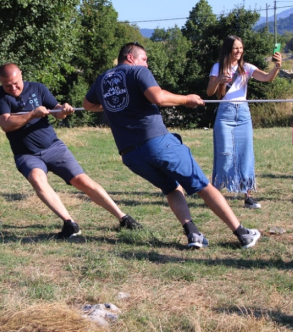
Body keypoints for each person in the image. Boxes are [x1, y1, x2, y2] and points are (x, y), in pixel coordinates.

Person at [83, 42, 260, 249]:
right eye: (144, 59)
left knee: (171, 188)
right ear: (131, 57)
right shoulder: (137, 72)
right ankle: (242, 234)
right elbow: (157, 97)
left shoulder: (103, 79)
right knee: (203, 185)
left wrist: (117, 103)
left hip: (130, 155)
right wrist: (186, 99)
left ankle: (193, 234)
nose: (146, 65)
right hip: (157, 143)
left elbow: (87, 105)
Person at [0, 63, 142, 239]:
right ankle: (70, 224)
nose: (13, 88)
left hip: (54, 147)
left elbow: (56, 112)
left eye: (16, 83)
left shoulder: (37, 88)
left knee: (82, 181)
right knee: (36, 179)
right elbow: (6, 124)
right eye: (7, 85)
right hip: (27, 154)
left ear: (21, 75)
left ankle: (123, 218)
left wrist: (63, 110)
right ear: (1, 82)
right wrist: (32, 114)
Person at [207, 35, 282, 209]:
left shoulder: (246, 68)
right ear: (228, 49)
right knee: (224, 154)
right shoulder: (218, 67)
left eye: (241, 48)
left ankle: (247, 196)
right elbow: (210, 93)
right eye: (235, 48)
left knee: (245, 154)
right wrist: (218, 81)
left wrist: (277, 67)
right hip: (225, 114)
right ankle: (216, 195)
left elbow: (267, 78)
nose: (239, 51)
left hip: (243, 114)